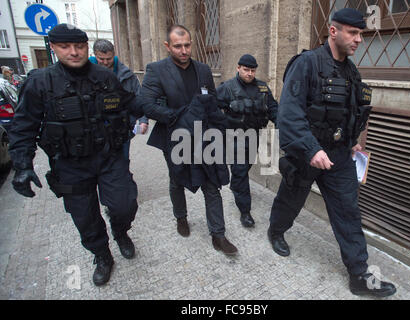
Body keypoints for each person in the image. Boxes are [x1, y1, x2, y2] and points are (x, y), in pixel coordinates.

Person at [7, 24, 160, 286]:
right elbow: (23, 126)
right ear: (53, 48)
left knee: (125, 204)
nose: (74, 52)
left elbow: (129, 102)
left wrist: (158, 107)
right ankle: (102, 255)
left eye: (79, 46)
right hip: (70, 164)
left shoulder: (105, 77)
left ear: (86, 47)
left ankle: (120, 231)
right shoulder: (40, 82)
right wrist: (22, 165)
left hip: (108, 157)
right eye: (65, 47)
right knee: (85, 217)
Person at [267, 8, 396, 297]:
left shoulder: (351, 71)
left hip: (338, 156)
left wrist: (352, 141)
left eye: (361, 34)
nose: (359, 40)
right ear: (333, 31)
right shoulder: (307, 64)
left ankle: (359, 275)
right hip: (307, 153)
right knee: (291, 199)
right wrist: (311, 149)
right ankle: (276, 231)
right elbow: (289, 114)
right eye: (353, 33)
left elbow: (349, 113)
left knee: (348, 211)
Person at [140, 25, 238, 256]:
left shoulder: (203, 70)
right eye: (177, 46)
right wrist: (176, 117)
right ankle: (181, 217)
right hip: (174, 135)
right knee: (177, 179)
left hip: (204, 136)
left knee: (211, 182)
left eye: (187, 45)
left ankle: (218, 235)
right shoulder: (156, 70)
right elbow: (146, 104)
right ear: (168, 46)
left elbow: (211, 100)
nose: (183, 51)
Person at [217, 54, 278, 228]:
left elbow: (273, 108)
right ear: (238, 68)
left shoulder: (262, 88)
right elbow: (212, 108)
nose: (249, 74)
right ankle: (245, 211)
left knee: (246, 166)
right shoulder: (227, 88)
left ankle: (236, 184)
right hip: (234, 137)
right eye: (246, 70)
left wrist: (282, 123)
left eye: (252, 70)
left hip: (254, 136)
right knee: (241, 170)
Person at [89, 39, 149, 159]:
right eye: (101, 59)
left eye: (109, 59)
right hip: (95, 132)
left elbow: (139, 98)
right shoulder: (85, 75)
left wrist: (143, 120)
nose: (105, 62)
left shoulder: (127, 75)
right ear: (95, 54)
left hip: (122, 129)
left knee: (122, 163)